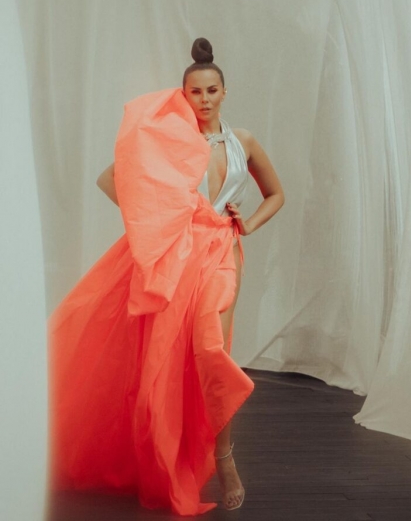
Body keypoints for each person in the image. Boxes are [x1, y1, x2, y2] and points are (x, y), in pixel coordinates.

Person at [49, 38, 284, 515]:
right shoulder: (168, 140)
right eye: (195, 92)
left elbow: (276, 194)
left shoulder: (243, 141)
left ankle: (225, 458)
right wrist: (155, 218)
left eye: (212, 90)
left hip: (221, 252)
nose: (204, 99)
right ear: (183, 95)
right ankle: (162, 456)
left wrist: (247, 225)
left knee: (212, 352)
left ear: (224, 91)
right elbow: (111, 178)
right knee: (165, 358)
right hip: (175, 254)